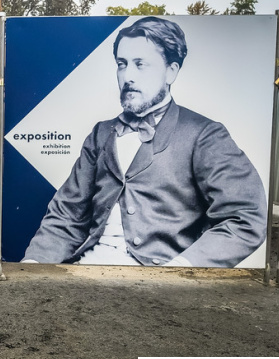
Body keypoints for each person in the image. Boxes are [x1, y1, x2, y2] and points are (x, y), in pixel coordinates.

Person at [23, 17, 266, 268]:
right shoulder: (100, 133)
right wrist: (32, 265)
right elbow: (66, 215)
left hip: (160, 282)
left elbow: (244, 217)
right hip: (85, 269)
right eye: (122, 64)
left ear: (171, 71)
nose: (128, 76)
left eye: (140, 65)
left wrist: (181, 270)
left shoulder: (205, 134)